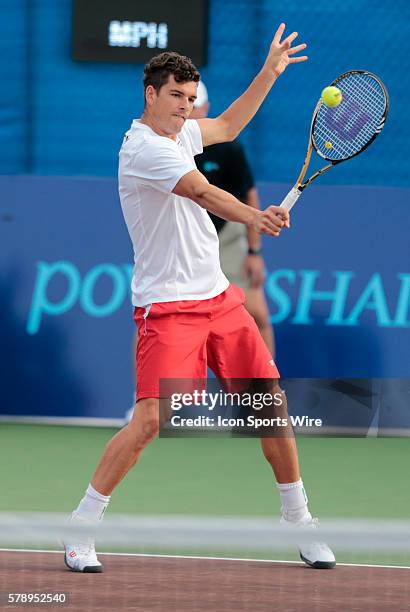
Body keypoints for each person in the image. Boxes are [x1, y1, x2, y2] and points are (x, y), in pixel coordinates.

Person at [63, 23, 335, 572]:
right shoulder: (143, 149)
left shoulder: (185, 132)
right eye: (176, 97)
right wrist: (256, 217)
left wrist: (269, 72)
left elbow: (230, 123)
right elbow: (202, 191)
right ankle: (80, 527)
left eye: (190, 99)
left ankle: (299, 520)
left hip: (219, 298)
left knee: (270, 406)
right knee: (150, 421)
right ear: (151, 94)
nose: (185, 108)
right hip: (167, 307)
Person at [190, 81, 274, 354]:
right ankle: (145, 395)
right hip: (185, 240)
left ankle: (266, 393)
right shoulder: (165, 147)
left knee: (257, 316)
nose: (191, 111)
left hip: (226, 237)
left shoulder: (229, 148)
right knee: (152, 318)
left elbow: (249, 195)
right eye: (185, 104)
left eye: (196, 104)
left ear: (206, 107)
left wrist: (254, 251)